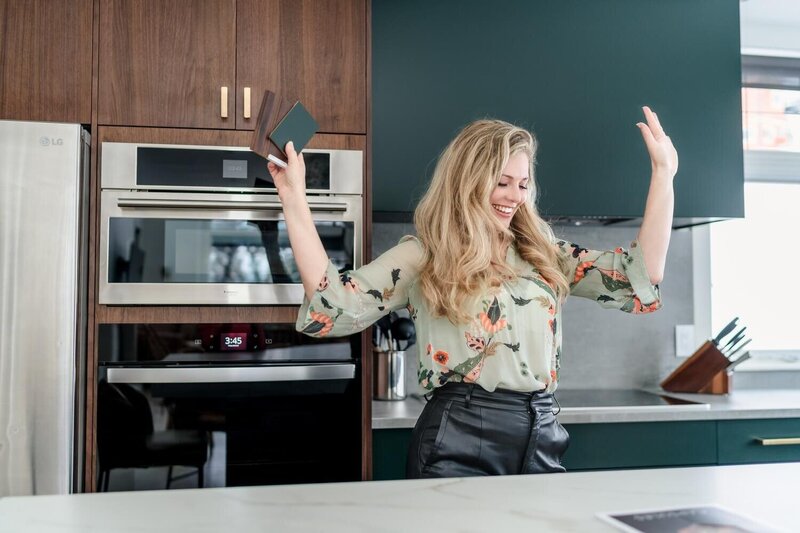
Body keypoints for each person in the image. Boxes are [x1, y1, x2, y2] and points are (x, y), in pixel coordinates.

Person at [267, 106, 678, 478]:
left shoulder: (543, 253)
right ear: (468, 181)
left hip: (543, 433)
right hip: (459, 438)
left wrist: (663, 175)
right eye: (501, 182)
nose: (513, 197)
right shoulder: (424, 254)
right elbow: (335, 303)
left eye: (522, 184)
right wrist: (293, 197)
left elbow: (638, 276)